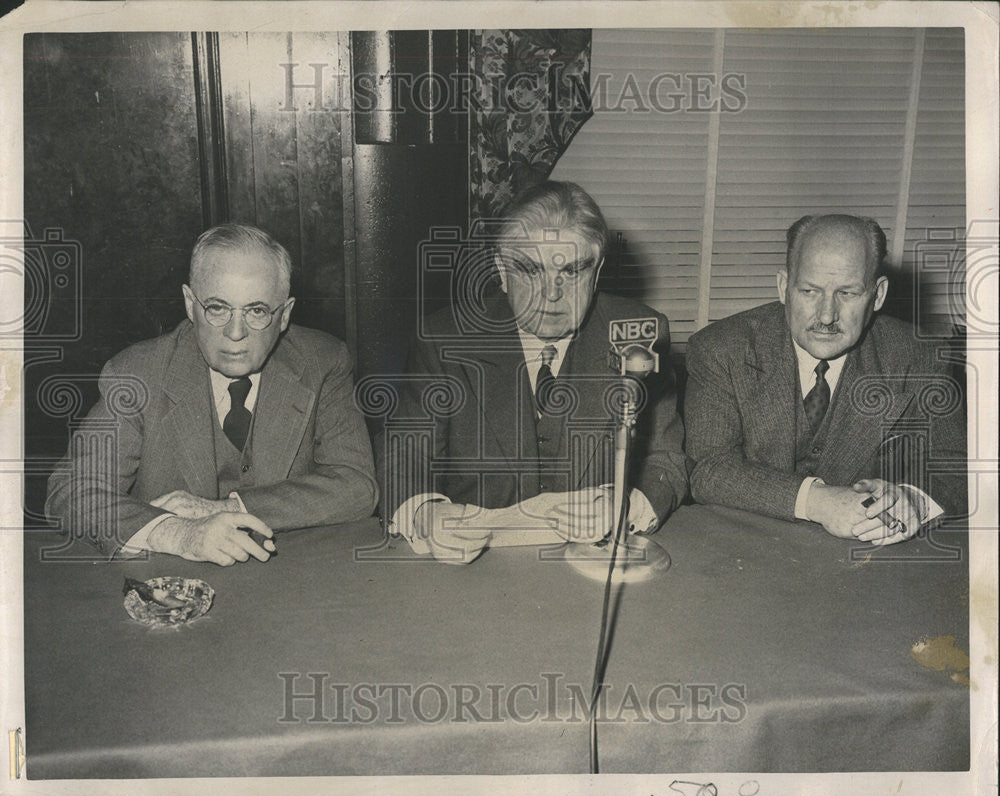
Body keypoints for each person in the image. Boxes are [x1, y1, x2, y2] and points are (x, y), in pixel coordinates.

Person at [373, 181, 688, 563]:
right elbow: (404, 460)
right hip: (476, 575)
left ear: (598, 270)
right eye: (531, 270)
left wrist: (625, 505)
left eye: (571, 271)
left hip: (593, 563)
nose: (552, 293)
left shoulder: (640, 332)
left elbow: (666, 461)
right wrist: (426, 513)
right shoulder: (444, 340)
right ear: (501, 271)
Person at [45, 224, 377, 564]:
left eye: (257, 311)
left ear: (284, 315)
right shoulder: (138, 374)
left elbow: (356, 486)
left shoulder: (322, 362)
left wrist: (227, 508)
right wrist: (179, 533)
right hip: (172, 584)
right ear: (190, 304)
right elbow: (71, 492)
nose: (235, 333)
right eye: (217, 308)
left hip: (292, 579)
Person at [685, 214, 966, 545]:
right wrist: (817, 501)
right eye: (809, 291)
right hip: (742, 548)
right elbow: (709, 469)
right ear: (783, 287)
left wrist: (914, 501)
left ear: (877, 295)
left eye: (847, 293)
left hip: (859, 562)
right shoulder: (720, 349)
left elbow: (959, 465)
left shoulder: (919, 356)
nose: (826, 315)